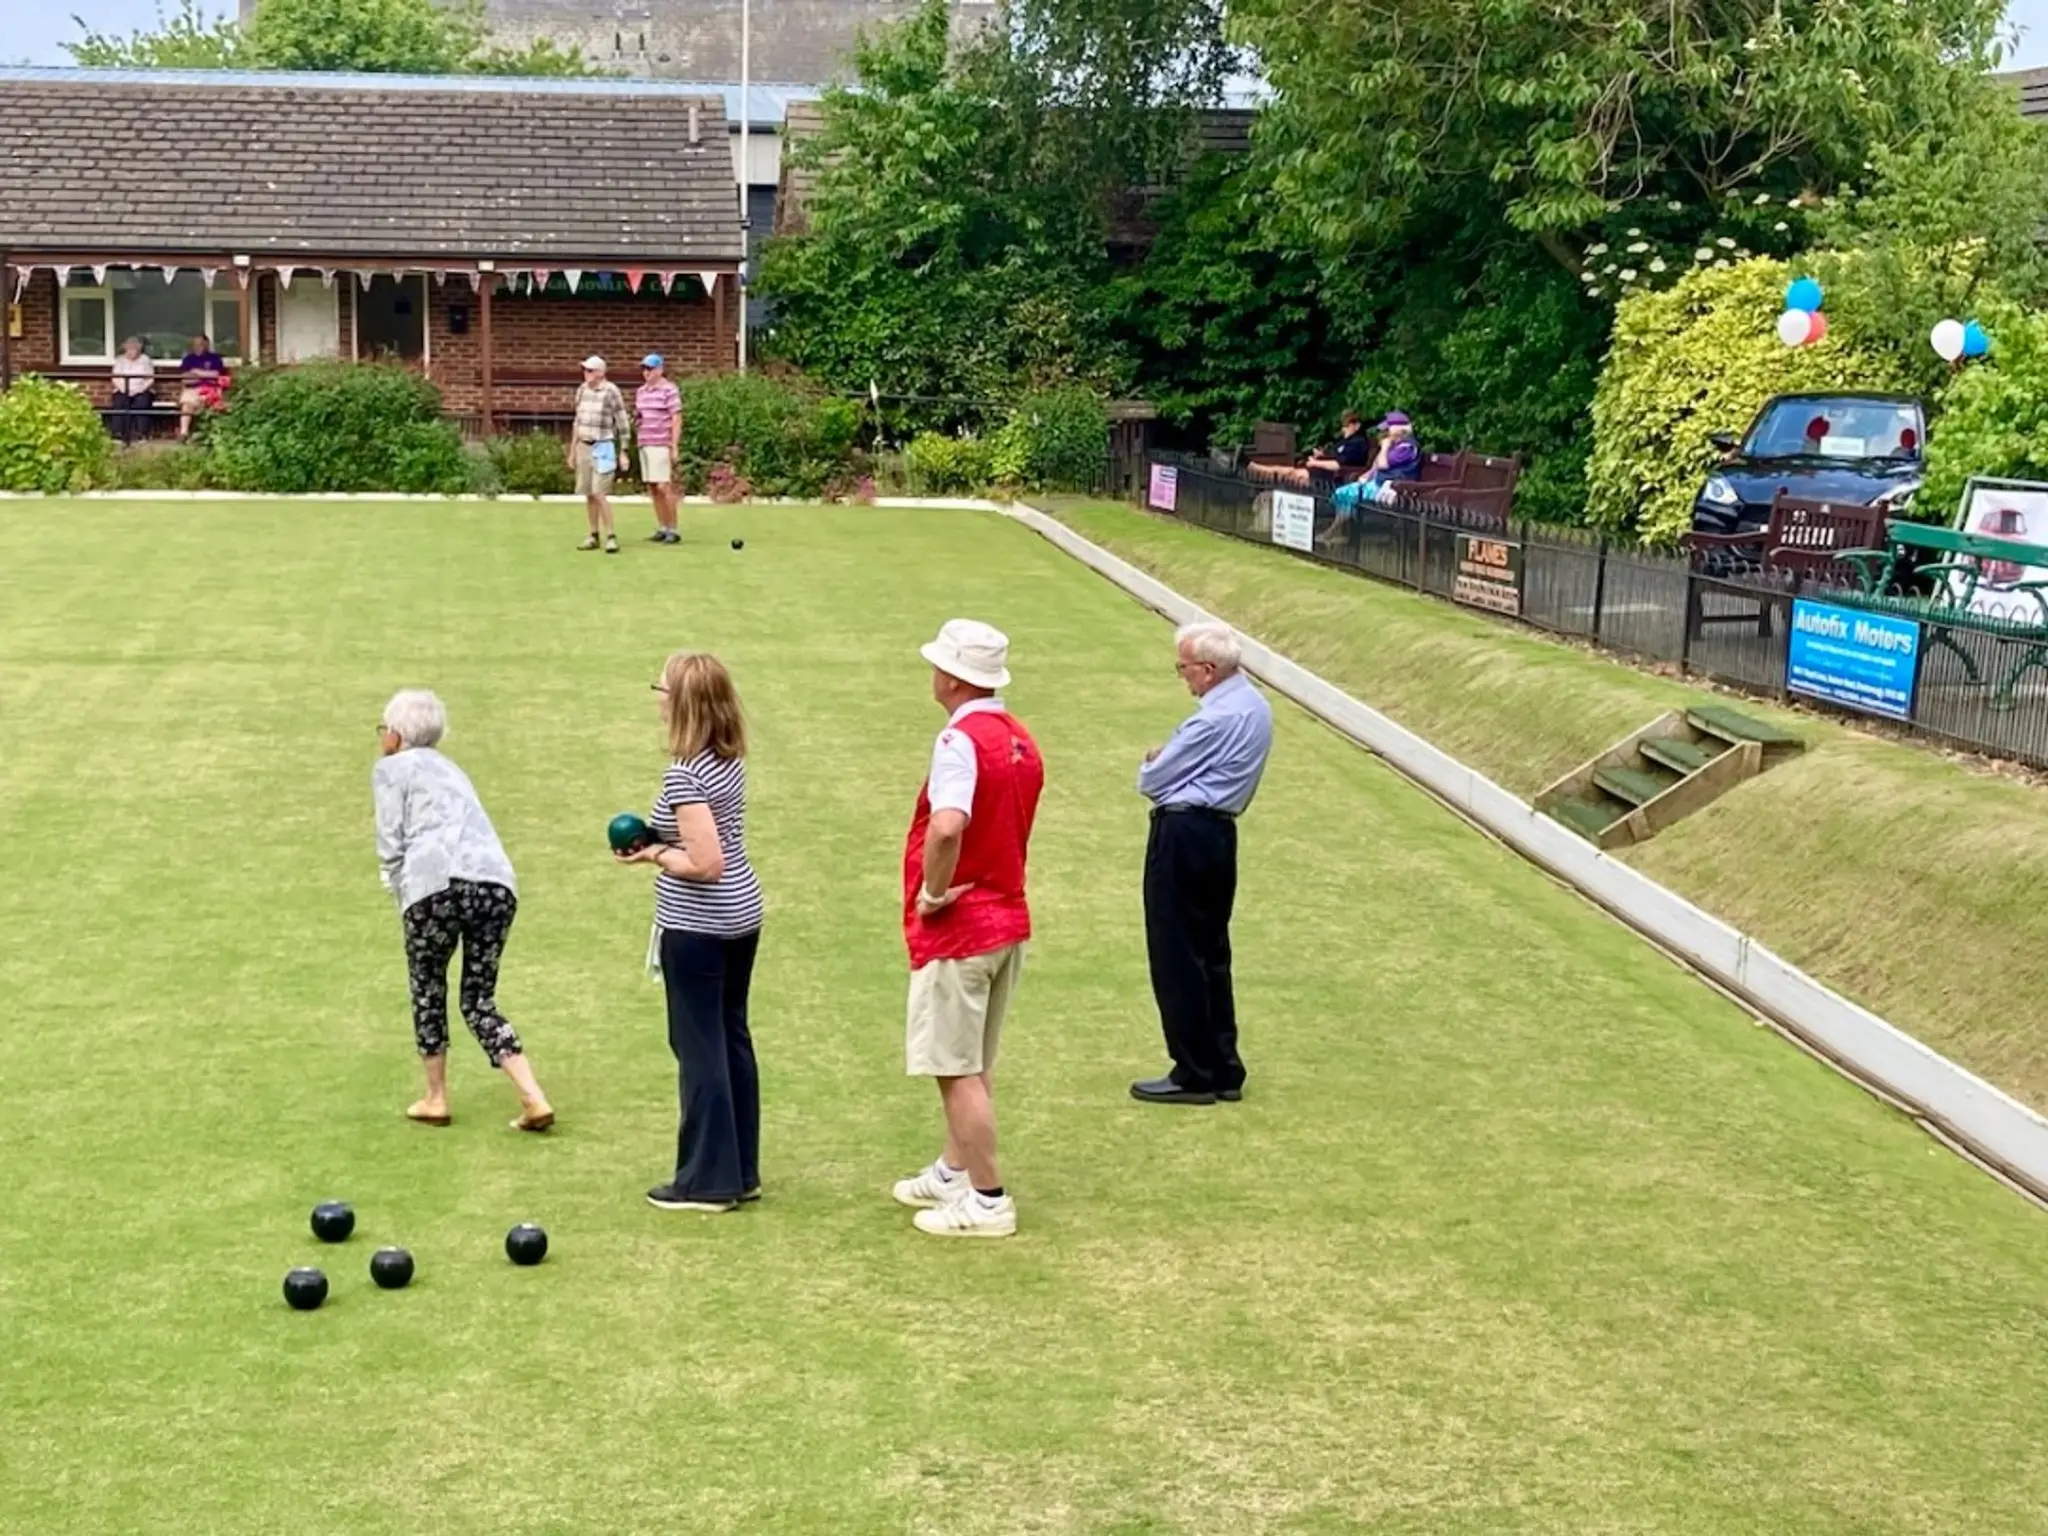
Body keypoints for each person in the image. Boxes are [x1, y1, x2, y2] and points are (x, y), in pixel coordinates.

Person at [891, 620, 1044, 1239]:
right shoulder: (1020, 738)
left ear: (954, 678)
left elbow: (948, 824)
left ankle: (987, 1197)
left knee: (956, 1067)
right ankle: (955, 1170)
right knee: (973, 1059)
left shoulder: (959, 742)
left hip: (963, 928)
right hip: (1007, 916)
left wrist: (931, 893)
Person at [615, 652, 766, 1213]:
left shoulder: (685, 774)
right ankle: (740, 1170)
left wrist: (653, 853)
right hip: (741, 917)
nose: (656, 697)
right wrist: (662, 839)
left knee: (699, 1046)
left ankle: (707, 1181)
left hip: (699, 926)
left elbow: (705, 864)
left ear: (681, 702)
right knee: (729, 1038)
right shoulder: (726, 760)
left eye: (661, 688)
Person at [372, 690, 555, 1132]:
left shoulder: (391, 769)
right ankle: (533, 1095)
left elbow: (391, 843)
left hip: (432, 886)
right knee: (478, 998)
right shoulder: (453, 770)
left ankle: (436, 1097)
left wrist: (401, 895)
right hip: (495, 886)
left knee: (427, 989)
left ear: (395, 735)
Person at [1131, 621, 1273, 1106]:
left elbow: (1153, 779)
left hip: (1184, 833)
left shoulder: (1209, 722)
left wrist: (1155, 760)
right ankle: (1223, 1066)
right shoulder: (1256, 707)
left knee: (1177, 952)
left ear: (1208, 670)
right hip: (1218, 835)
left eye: (1184, 668)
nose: (1183, 676)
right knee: (1212, 950)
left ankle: (1193, 1071)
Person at [568, 355, 629, 554]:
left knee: (599, 492)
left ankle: (611, 535)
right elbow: (577, 422)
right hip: (584, 446)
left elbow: (622, 422)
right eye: (585, 370)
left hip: (603, 447)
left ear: (601, 373)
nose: (586, 373)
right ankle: (593, 534)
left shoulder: (611, 391)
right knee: (588, 493)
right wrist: (572, 451)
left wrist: (624, 451)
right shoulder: (582, 390)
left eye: (590, 370)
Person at [1328, 411, 1421, 519]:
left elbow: (1382, 465)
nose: (1385, 432)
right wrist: (1368, 475)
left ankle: (1346, 525)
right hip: (1378, 483)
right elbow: (1377, 464)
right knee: (1340, 494)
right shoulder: (1395, 445)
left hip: (1392, 488)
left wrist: (1384, 447)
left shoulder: (1406, 448)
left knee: (1345, 495)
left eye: (1388, 429)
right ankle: (1346, 524)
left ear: (1399, 429)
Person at [636, 354, 684, 545]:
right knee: (653, 487)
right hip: (645, 442)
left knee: (664, 486)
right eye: (644, 369)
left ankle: (673, 529)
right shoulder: (641, 392)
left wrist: (674, 445)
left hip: (661, 443)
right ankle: (662, 527)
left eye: (650, 368)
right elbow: (640, 416)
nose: (646, 372)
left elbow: (676, 418)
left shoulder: (669, 390)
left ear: (660, 370)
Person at [109, 338, 157, 445]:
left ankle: (141, 434)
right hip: (123, 389)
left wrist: (140, 389)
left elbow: (150, 379)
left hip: (141, 389)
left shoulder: (145, 360)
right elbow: (115, 378)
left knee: (142, 403)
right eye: (129, 349)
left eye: (134, 349)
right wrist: (124, 389)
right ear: (125, 349)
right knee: (119, 403)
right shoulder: (120, 360)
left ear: (139, 350)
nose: (132, 351)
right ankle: (117, 434)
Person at [176, 334, 225, 439]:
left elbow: (216, 374)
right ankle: (184, 433)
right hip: (192, 389)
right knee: (187, 404)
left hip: (211, 389)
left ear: (207, 344)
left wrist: (196, 371)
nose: (198, 346)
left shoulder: (214, 358)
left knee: (215, 404)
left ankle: (213, 435)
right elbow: (185, 378)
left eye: (201, 344)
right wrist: (204, 376)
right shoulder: (188, 359)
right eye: (196, 344)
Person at [1306, 411, 1373, 476]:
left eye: (1347, 426)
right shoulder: (1345, 441)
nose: (1343, 429)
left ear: (1357, 426)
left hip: (1342, 476)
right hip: (1329, 474)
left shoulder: (1358, 443)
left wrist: (1315, 463)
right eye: (1343, 426)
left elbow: (1341, 463)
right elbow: (1335, 455)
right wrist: (1322, 454)